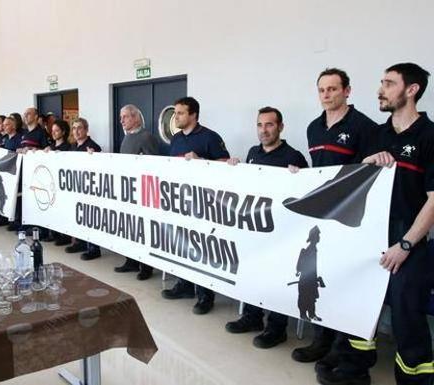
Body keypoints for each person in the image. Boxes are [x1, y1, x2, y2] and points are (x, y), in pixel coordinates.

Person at [317, 63, 434, 385]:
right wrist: (366, 164)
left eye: (388, 83)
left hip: (409, 240)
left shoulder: (429, 136)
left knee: (406, 309)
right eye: (381, 82)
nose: (380, 89)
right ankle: (354, 370)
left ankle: (414, 379)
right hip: (371, 236)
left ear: (411, 90)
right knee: (356, 300)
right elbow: (356, 184)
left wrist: (406, 245)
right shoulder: (376, 135)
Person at [292, 68, 379, 365]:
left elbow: (371, 175)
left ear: (347, 91)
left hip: (350, 217)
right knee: (318, 276)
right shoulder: (313, 127)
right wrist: (299, 176)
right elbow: (319, 171)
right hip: (321, 218)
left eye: (332, 89)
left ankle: (342, 345)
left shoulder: (365, 127)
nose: (327, 95)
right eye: (322, 90)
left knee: (344, 281)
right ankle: (321, 340)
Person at [224, 106, 308, 348]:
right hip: (254, 228)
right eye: (260, 125)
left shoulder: (294, 156)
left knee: (277, 278)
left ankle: (277, 327)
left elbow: (304, 194)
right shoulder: (252, 152)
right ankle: (252, 317)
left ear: (280, 127)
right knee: (252, 272)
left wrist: (299, 176)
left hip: (281, 233)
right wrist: (234, 167)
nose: (264, 130)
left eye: (269, 125)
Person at [160, 96, 230, 315]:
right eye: (176, 113)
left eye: (180, 113)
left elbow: (226, 165)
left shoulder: (210, 137)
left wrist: (202, 162)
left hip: (205, 204)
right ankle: (185, 285)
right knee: (182, 244)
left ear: (193, 115)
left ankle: (205, 295)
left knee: (202, 249)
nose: (176, 117)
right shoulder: (177, 139)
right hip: (181, 201)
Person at [113, 104, 160, 280]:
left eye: (125, 117)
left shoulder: (146, 137)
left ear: (135, 118)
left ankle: (146, 267)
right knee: (129, 228)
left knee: (143, 229)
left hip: (143, 193)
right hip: (128, 192)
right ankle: (131, 261)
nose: (121, 121)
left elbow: (153, 165)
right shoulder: (127, 138)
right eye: (121, 117)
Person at [64, 117, 103, 260]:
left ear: (86, 130)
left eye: (79, 128)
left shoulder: (93, 146)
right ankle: (80, 242)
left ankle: (94, 248)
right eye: (74, 128)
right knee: (78, 217)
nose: (76, 131)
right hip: (76, 188)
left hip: (89, 191)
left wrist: (94, 156)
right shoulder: (72, 146)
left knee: (90, 218)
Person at [42, 119, 72, 245]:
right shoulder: (51, 147)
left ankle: (64, 236)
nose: (53, 133)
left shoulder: (68, 147)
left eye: (57, 130)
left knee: (63, 209)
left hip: (63, 183)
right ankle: (53, 233)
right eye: (52, 131)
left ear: (63, 132)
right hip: (51, 183)